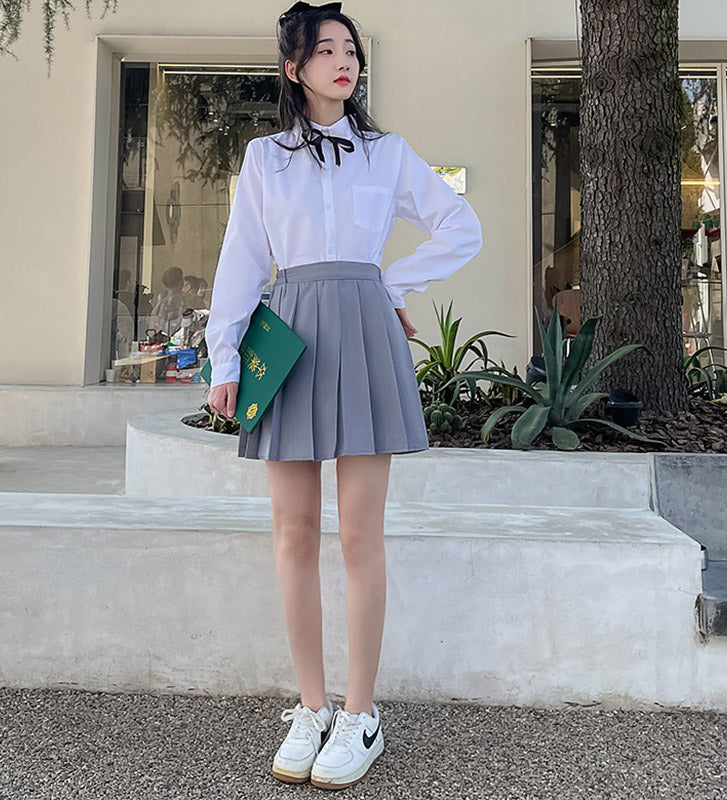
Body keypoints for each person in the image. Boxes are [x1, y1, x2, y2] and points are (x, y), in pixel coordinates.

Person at [204, 1, 482, 790]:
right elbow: (240, 261)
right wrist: (225, 357)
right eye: (326, 50)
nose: (344, 60)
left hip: (363, 330)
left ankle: (362, 714)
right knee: (293, 533)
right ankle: (312, 706)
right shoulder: (265, 159)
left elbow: (460, 226)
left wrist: (391, 283)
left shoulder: (386, 153)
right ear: (294, 68)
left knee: (361, 535)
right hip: (286, 333)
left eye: (351, 49)